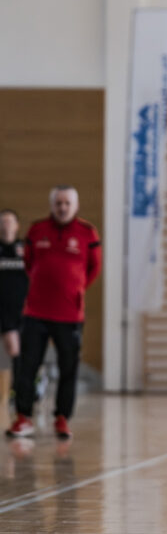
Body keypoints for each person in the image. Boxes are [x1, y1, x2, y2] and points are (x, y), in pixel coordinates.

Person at [6, 186, 101, 439]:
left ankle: (62, 418)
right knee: (27, 366)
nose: (62, 208)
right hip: (36, 313)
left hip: (70, 316)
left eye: (67, 203)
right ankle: (23, 418)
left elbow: (93, 268)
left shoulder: (87, 233)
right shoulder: (37, 230)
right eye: (58, 203)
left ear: (75, 206)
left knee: (68, 368)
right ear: (52, 205)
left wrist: (74, 289)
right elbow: (28, 263)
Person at [0, 209, 28, 417]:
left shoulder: (25, 250)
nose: (6, 226)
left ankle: (19, 393)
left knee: (18, 353)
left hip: (21, 311)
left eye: (10, 222)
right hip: (1, 311)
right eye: (2, 222)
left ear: (17, 226)